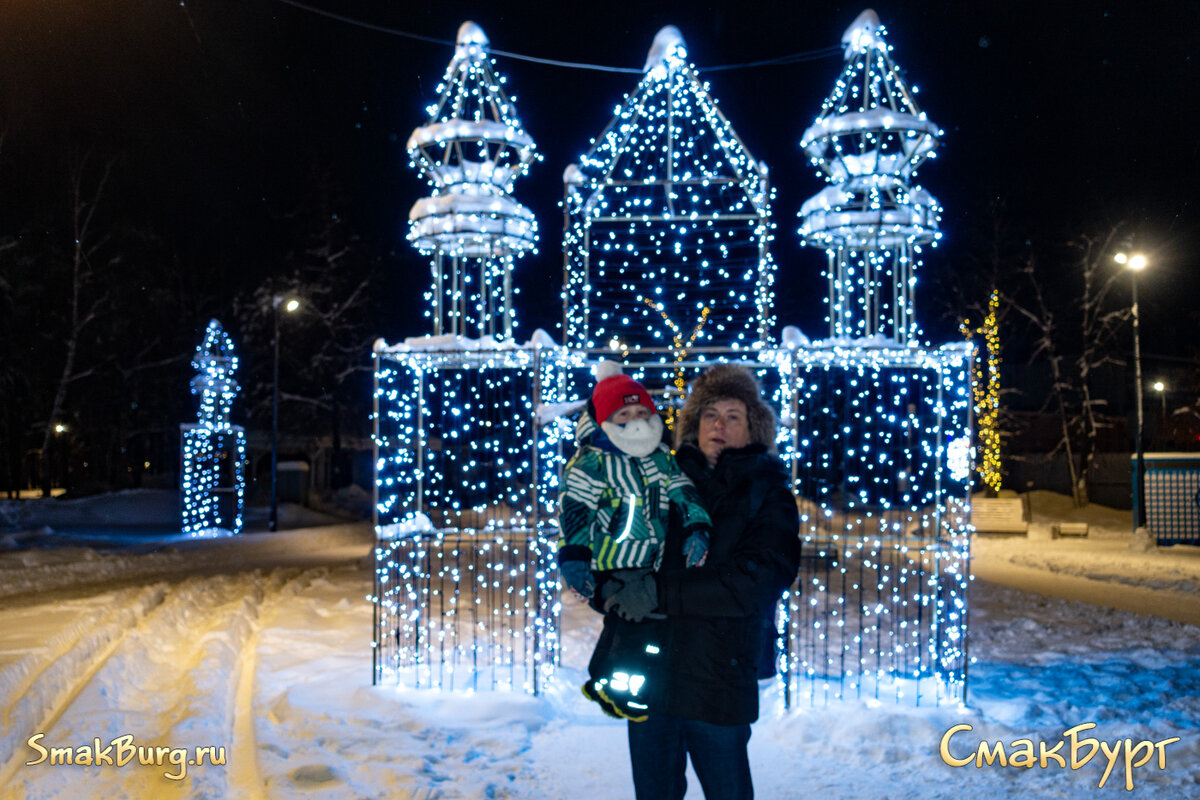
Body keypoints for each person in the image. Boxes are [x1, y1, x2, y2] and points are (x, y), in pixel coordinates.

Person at [602, 364, 802, 800]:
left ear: (753, 430)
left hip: (719, 678)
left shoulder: (769, 494)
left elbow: (756, 581)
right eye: (710, 414)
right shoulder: (659, 482)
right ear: (694, 424)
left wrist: (660, 591)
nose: (719, 424)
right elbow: (624, 553)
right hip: (653, 673)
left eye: (734, 416)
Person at [557, 362, 712, 720]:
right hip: (610, 561)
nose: (636, 419)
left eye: (642, 411)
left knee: (626, 622)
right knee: (635, 618)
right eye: (624, 413)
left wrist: (696, 527)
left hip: (649, 561)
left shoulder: (660, 459)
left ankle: (602, 679)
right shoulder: (590, 464)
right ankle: (619, 686)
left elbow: (683, 491)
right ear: (605, 420)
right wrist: (575, 556)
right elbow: (575, 510)